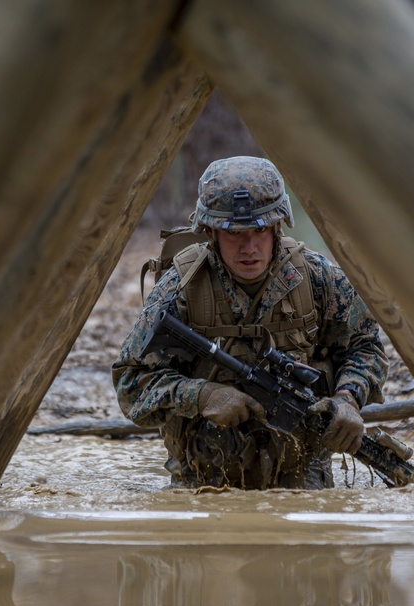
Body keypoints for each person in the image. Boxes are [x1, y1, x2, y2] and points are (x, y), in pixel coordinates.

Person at [112, 156, 387, 490]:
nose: (250, 247)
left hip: (305, 483)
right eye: (234, 233)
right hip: (202, 485)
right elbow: (130, 384)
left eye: (259, 230)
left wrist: (348, 397)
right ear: (211, 232)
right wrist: (201, 396)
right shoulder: (180, 289)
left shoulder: (317, 279)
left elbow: (365, 346)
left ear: (277, 227)